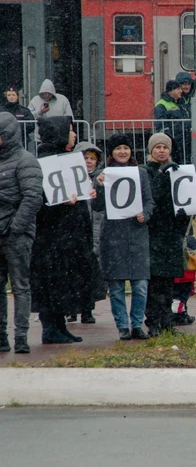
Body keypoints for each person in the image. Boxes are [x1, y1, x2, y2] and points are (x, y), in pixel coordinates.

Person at [31, 116, 98, 344]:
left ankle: (59, 327)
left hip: (67, 238)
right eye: (70, 131)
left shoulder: (67, 159)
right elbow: (39, 204)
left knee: (61, 284)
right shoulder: (43, 163)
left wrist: (86, 193)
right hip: (52, 239)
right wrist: (61, 203)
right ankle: (50, 328)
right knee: (51, 283)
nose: (75, 135)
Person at [92, 134, 154, 340]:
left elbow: (149, 201)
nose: (122, 152)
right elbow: (97, 206)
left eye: (126, 148)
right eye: (118, 148)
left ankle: (137, 325)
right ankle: (122, 327)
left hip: (137, 235)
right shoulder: (103, 174)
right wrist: (98, 186)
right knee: (116, 287)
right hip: (113, 237)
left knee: (140, 286)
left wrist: (145, 215)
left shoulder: (141, 173)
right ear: (111, 152)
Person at [0, 113, 43, 353]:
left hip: (16, 236)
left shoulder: (25, 160)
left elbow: (32, 198)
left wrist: (16, 228)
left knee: (20, 287)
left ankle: (21, 337)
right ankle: (1, 336)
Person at [143, 133, 191, 336]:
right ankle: (153, 321)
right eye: (157, 147)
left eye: (165, 147)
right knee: (155, 282)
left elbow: (185, 199)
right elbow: (152, 197)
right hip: (153, 234)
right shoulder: (145, 172)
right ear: (151, 151)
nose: (162, 150)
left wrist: (183, 217)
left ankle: (166, 321)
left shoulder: (178, 171)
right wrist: (162, 176)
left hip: (172, 234)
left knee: (169, 282)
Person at [70, 140, 108, 324]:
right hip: (76, 230)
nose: (89, 162)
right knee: (73, 270)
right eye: (85, 158)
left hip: (97, 227)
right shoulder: (70, 179)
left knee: (91, 269)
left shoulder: (102, 178)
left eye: (92, 158)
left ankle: (87, 308)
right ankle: (71, 308)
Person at [154, 79, 191, 164]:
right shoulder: (161, 105)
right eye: (178, 89)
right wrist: (170, 139)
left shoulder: (180, 103)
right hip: (174, 141)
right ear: (171, 90)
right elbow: (161, 125)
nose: (181, 91)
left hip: (184, 140)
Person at [1, 86, 35, 150]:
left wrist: (17, 127)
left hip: (21, 141)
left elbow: (31, 125)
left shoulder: (24, 111)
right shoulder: (1, 110)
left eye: (13, 95)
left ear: (17, 96)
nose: (11, 97)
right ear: (6, 96)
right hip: (5, 142)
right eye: (9, 95)